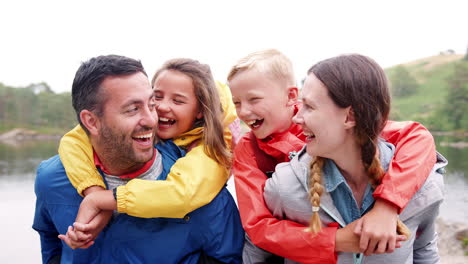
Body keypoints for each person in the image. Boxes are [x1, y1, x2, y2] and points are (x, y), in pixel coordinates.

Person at [227, 49, 438, 263]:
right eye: (236, 102)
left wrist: (387, 207)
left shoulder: (327, 122)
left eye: (254, 99)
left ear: (291, 96)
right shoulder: (249, 151)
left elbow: (416, 136)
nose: (243, 112)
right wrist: (335, 240)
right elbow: (258, 228)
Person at [32, 55, 243, 263]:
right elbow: (50, 239)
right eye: (133, 109)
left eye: (150, 104)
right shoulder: (51, 177)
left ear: (199, 111)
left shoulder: (202, 184)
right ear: (91, 122)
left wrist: (102, 201)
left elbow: (226, 256)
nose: (154, 117)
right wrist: (93, 190)